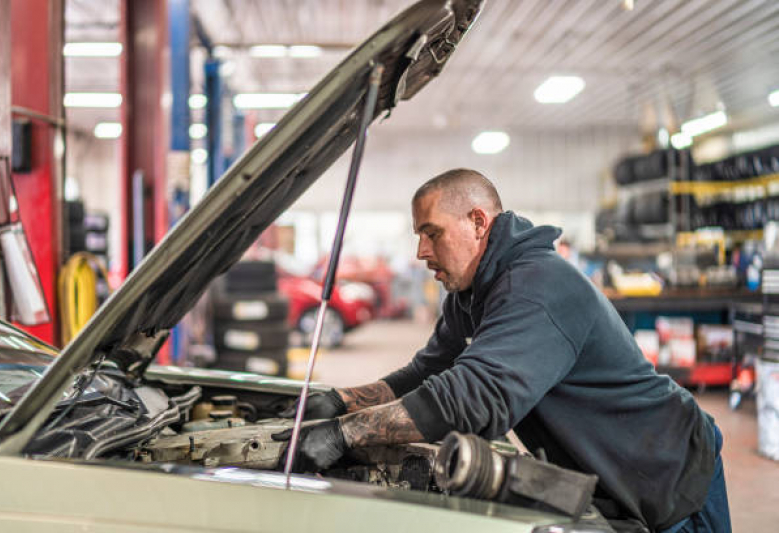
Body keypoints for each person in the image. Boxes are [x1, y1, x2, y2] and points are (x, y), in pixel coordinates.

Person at [274, 168, 730, 533]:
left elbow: (471, 396)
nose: (420, 251)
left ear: (477, 222)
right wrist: (339, 401)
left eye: (431, 233)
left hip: (667, 472)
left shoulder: (538, 286)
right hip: (605, 468)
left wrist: (345, 434)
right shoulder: (471, 294)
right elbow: (428, 371)